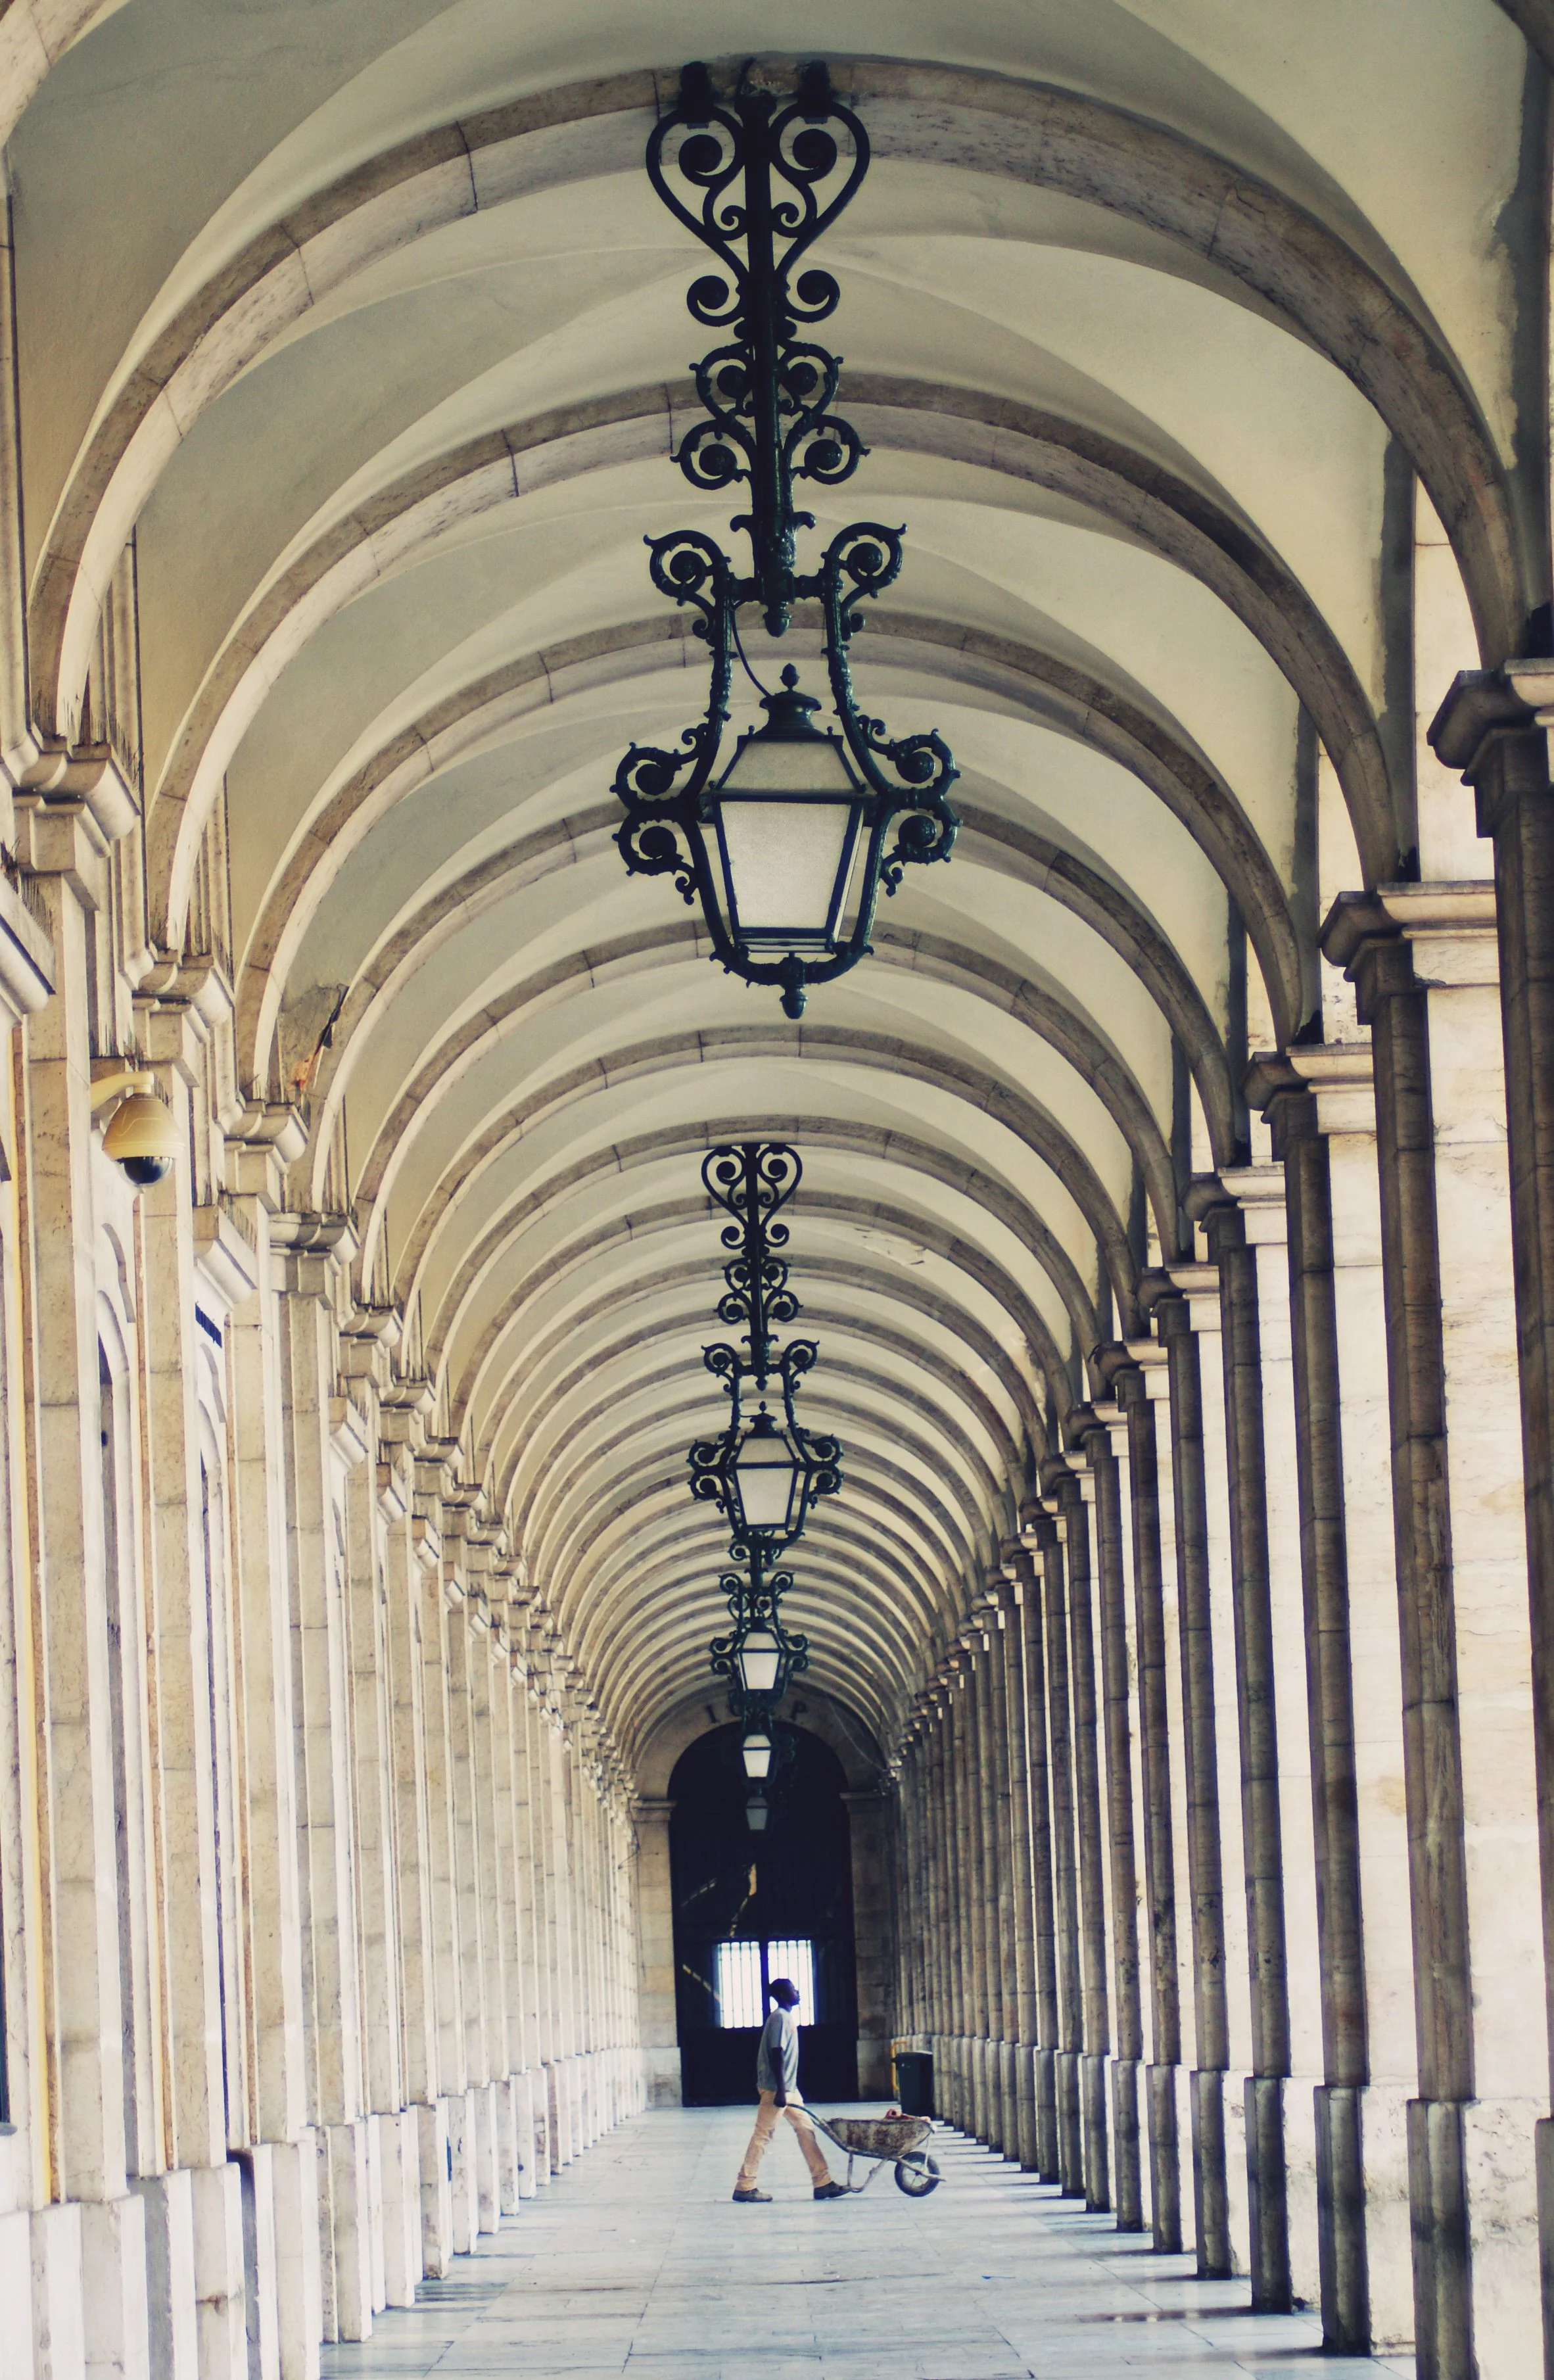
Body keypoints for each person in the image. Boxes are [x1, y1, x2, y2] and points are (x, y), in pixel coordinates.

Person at [732, 1976, 847, 2202]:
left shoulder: (786, 2017)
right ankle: (745, 2185)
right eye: (794, 1989)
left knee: (806, 2129)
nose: (798, 1992)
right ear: (784, 1996)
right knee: (763, 2134)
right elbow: (778, 2052)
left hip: (789, 2088)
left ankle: (823, 2182)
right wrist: (782, 2091)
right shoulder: (780, 2019)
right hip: (777, 2088)